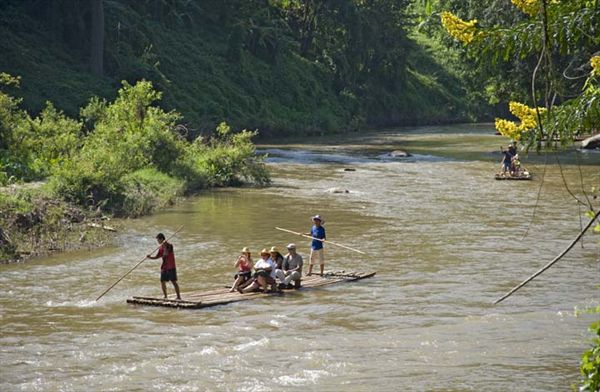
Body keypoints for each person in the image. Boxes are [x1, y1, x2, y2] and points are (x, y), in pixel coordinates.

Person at [147, 233, 181, 300]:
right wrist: (150, 257)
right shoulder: (160, 248)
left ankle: (178, 296)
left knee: (173, 281)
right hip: (164, 267)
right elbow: (157, 256)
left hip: (171, 266)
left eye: (158, 240)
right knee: (162, 281)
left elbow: (166, 252)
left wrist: (165, 244)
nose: (158, 242)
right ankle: (165, 296)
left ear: (162, 239)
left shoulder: (169, 245)